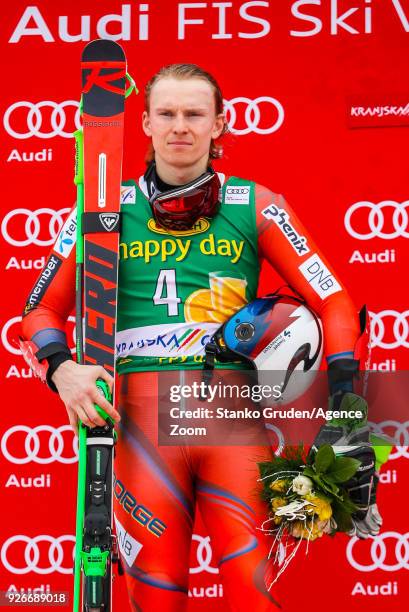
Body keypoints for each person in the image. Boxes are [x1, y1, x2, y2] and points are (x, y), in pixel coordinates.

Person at [20, 63, 379, 611]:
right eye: (166, 113)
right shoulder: (100, 212)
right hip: (139, 427)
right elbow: (39, 312)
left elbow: (334, 301)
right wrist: (62, 370)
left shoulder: (255, 204)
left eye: (194, 114)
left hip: (231, 419)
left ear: (219, 125)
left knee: (253, 593)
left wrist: (347, 412)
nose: (179, 126)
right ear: (143, 123)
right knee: (154, 594)